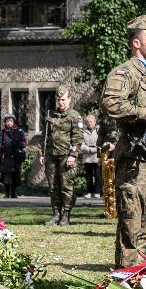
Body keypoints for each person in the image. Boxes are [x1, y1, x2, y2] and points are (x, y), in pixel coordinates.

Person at [101, 14, 146, 267]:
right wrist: (144, 114)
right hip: (135, 161)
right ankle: (124, 279)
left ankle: (140, 273)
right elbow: (111, 103)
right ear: (137, 43)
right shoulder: (125, 72)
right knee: (131, 227)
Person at [43, 88, 84, 224]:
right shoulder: (50, 115)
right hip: (51, 156)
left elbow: (78, 138)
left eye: (63, 100)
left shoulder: (75, 116)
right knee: (53, 186)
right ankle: (55, 214)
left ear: (69, 99)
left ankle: (66, 215)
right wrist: (42, 154)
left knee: (66, 186)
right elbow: (44, 136)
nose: (61, 102)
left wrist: (73, 155)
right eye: (58, 100)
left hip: (66, 156)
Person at [0, 114, 28, 199]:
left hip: (16, 156)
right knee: (6, 175)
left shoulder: (19, 130)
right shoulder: (2, 132)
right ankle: (6, 193)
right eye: (7, 121)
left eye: (11, 121)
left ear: (13, 122)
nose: (9, 123)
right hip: (6, 156)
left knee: (16, 175)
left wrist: (22, 145)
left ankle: (13, 193)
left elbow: (23, 140)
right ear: (5, 122)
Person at [80, 112, 102, 196]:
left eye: (91, 122)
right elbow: (81, 145)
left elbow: (100, 143)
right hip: (87, 157)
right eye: (88, 122)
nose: (89, 123)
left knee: (98, 175)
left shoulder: (99, 131)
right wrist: (90, 149)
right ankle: (89, 192)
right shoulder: (83, 132)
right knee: (88, 176)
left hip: (97, 157)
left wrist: (96, 149)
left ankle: (97, 192)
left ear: (95, 122)